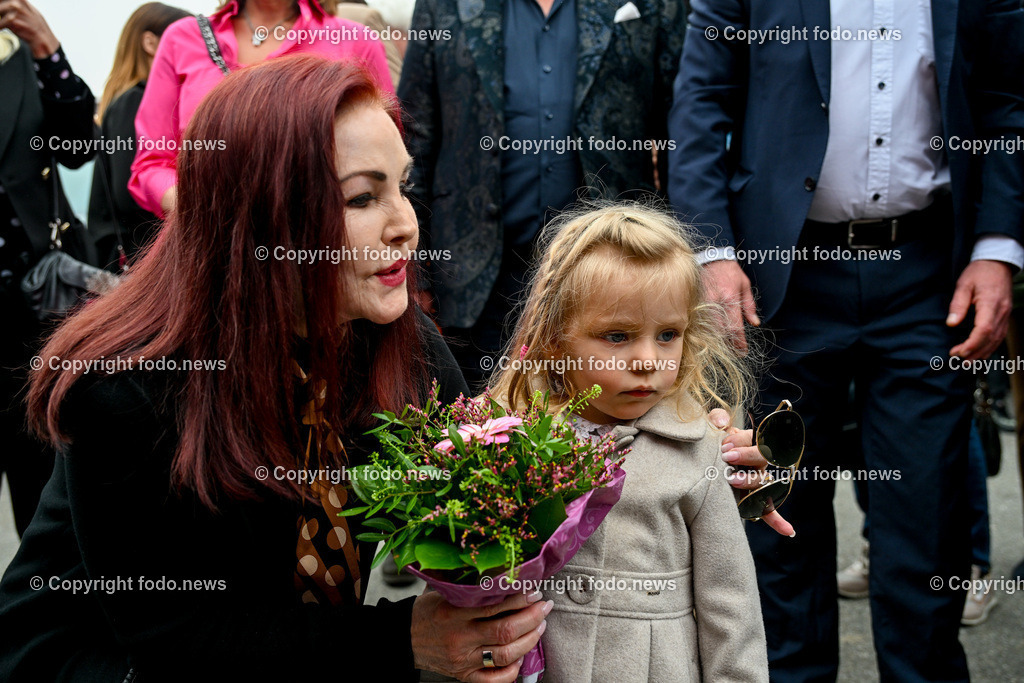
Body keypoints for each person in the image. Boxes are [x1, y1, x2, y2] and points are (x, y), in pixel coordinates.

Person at [0, 56, 550, 683]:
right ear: (262, 217)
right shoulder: (129, 386)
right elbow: (177, 632)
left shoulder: (395, 338)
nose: (405, 226)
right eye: (362, 197)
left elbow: (463, 491)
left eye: (403, 187)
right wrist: (405, 643)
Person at [668, 2, 1024, 681]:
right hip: (782, 278)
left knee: (927, 523)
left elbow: (1008, 104)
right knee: (779, 520)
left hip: (929, 277)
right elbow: (699, 102)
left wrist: (997, 248)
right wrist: (711, 250)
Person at [490, 203, 770, 682]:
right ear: (554, 340)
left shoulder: (701, 452)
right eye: (617, 336)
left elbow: (733, 609)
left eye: (668, 335)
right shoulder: (509, 439)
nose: (647, 360)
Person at [398, 0, 685, 389]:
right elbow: (417, 135)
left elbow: (682, 132)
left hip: (615, 272)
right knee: (474, 429)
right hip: (472, 275)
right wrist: (418, 271)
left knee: (613, 435)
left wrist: (686, 256)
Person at [129, 0, 393, 218]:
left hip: (324, 242)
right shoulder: (183, 38)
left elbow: (386, 154)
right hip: (209, 251)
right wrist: (204, 211)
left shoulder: (355, 40)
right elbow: (152, 164)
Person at [0, 0, 95, 537]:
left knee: (42, 475)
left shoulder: (21, 60)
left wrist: (46, 47)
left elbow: (81, 146)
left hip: (35, 307)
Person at [89, 2, 192, 271]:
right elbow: (128, 193)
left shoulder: (126, 101)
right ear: (150, 42)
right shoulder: (134, 101)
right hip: (139, 258)